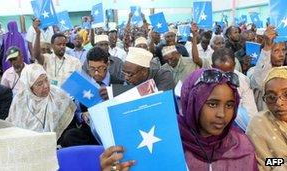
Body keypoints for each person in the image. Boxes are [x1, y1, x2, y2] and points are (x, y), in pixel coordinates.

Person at [100, 68, 258, 171]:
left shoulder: (242, 146)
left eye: (230, 105)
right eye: (212, 104)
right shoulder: (162, 138)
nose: (222, 114)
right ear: (192, 102)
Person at [6, 64, 76, 140]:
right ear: (29, 88)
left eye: (46, 79)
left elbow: (69, 127)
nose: (46, 86)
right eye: (39, 84)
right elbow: (14, 128)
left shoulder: (59, 95)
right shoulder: (20, 100)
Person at [247, 66, 287, 170]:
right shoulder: (259, 124)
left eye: (286, 94)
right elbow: (267, 162)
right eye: (271, 97)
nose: (279, 103)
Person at [211, 47, 258, 130]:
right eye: (220, 72)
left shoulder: (243, 81)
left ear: (234, 66)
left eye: (229, 72)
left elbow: (251, 112)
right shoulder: (206, 80)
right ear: (212, 67)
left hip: (237, 125)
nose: (225, 77)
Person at [248, 26, 286, 111]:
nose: (281, 54)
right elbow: (260, 82)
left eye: (283, 50)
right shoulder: (253, 71)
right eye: (276, 51)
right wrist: (267, 46)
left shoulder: (284, 71)